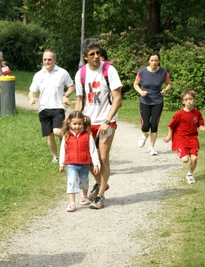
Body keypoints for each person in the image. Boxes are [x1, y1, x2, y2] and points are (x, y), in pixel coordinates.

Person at [74, 38, 122, 209]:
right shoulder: (81, 74)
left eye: (98, 53)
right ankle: (102, 183)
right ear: (85, 56)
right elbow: (80, 101)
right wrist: (74, 121)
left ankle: (100, 195)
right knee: (85, 159)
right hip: (88, 122)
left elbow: (117, 99)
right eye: (92, 54)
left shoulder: (109, 70)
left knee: (102, 158)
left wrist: (107, 122)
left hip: (107, 121)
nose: (96, 56)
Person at [29, 49, 75, 163]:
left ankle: (66, 143)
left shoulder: (62, 72)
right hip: (44, 109)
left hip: (58, 107)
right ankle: (56, 157)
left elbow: (71, 86)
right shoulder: (38, 75)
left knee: (57, 131)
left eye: (49, 59)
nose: (47, 62)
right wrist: (31, 98)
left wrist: (66, 95)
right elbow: (32, 91)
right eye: (44, 59)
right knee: (49, 135)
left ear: (54, 60)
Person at [59, 111, 100, 212]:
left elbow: (93, 150)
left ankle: (84, 196)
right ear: (69, 123)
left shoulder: (88, 136)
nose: (77, 126)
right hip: (71, 163)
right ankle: (72, 203)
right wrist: (61, 164)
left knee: (84, 181)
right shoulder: (66, 136)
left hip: (84, 163)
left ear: (83, 123)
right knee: (71, 181)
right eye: (74, 124)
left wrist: (96, 163)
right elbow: (62, 150)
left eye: (79, 124)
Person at [163, 89, 205, 184]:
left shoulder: (197, 113)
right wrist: (169, 137)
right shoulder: (179, 114)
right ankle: (181, 150)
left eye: (190, 99)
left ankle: (190, 174)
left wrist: (202, 127)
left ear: (194, 99)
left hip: (193, 139)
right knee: (185, 160)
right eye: (186, 99)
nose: (189, 101)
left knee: (194, 158)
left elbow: (199, 123)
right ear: (183, 101)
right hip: (181, 139)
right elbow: (171, 126)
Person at [134, 51, 172, 156]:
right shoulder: (142, 72)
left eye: (156, 60)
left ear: (159, 61)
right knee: (146, 125)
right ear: (148, 61)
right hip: (145, 101)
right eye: (152, 60)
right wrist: (141, 92)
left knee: (154, 125)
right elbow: (136, 84)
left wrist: (165, 90)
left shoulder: (163, 72)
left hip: (157, 101)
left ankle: (151, 147)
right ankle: (144, 135)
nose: (154, 62)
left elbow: (169, 84)